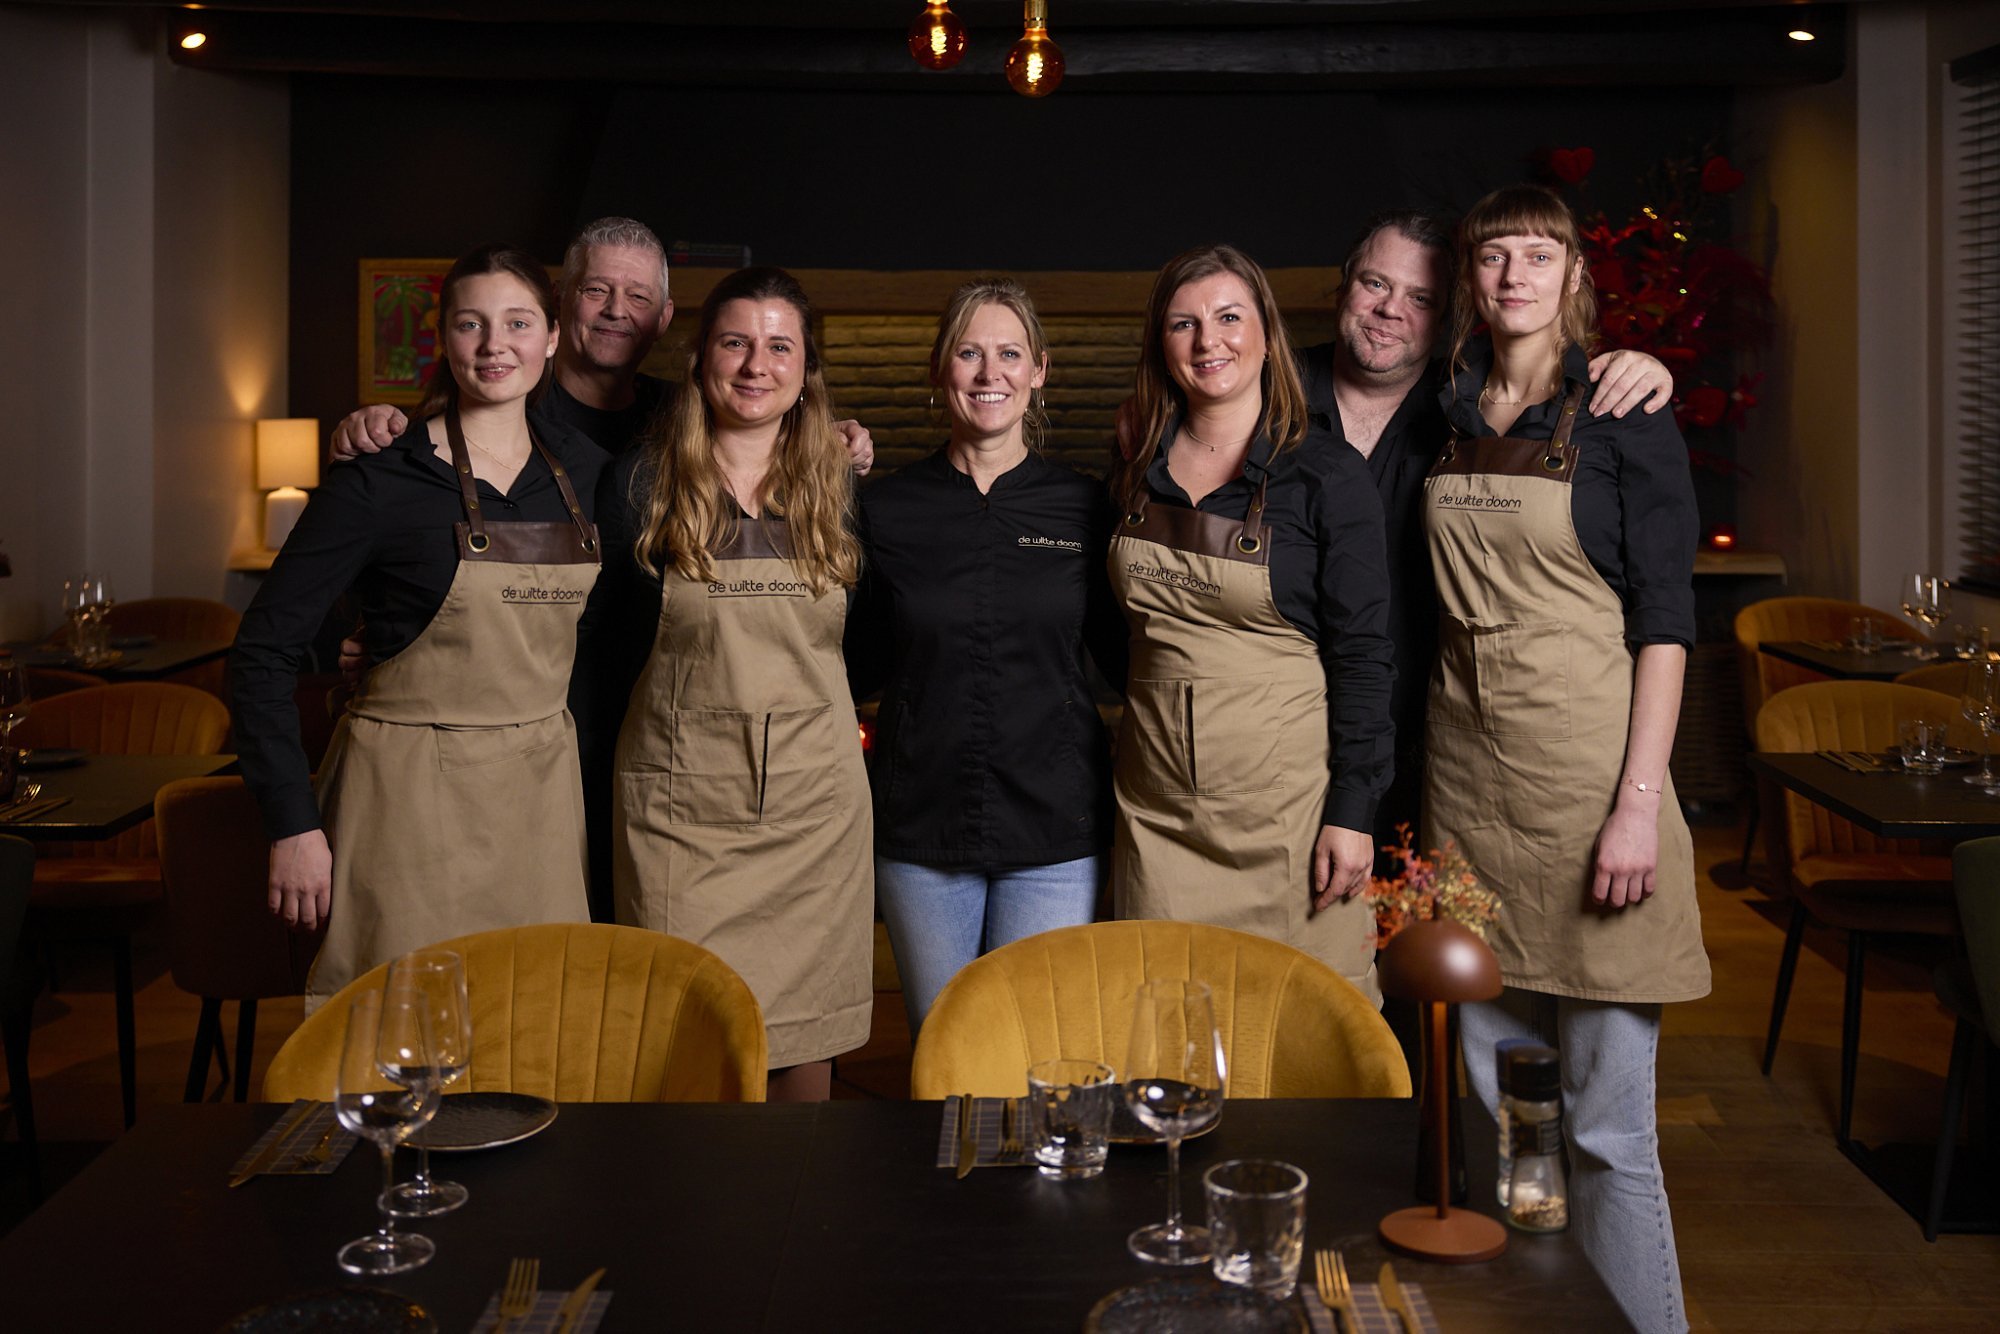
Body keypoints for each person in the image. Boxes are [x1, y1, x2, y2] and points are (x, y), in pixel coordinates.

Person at [330, 219, 874, 919]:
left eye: (638, 296)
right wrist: (383, 631)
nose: (618, 310)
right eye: (597, 291)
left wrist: (829, 439)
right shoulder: (497, 397)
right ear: (559, 307)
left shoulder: (688, 412)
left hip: (666, 736)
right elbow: (407, 533)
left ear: (666, 319)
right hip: (530, 726)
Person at [1427, 185, 1710, 1334]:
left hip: (1593, 794)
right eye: (1492, 255)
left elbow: (1664, 624)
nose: (1513, 276)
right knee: (1495, 1115)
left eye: (1536, 255)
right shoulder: (1442, 407)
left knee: (1603, 1128)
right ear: (1469, 277)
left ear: (1573, 277)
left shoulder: (1624, 411)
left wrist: (1635, 805)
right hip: (1467, 799)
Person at [232, 243, 604, 1009]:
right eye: (471, 324)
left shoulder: (590, 474)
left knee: (535, 1026)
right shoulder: (379, 479)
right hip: (402, 807)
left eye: (518, 322)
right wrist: (292, 824)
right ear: (444, 337)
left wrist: (838, 442)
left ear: (552, 337)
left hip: (540, 805)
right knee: (397, 1032)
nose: (495, 345)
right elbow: (260, 654)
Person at [1294, 209, 1675, 867]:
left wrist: (1638, 366)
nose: (1390, 310)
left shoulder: (1465, 410)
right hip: (1285, 734)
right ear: (1344, 285)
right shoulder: (1265, 395)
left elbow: (1655, 602)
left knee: (1426, 928)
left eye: (1421, 298)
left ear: (1451, 313)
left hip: (1432, 743)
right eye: (1375, 284)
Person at [594, 267, 871, 1102]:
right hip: (680, 821)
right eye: (735, 343)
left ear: (806, 369)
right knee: (684, 1058)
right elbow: (600, 652)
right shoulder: (639, 485)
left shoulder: (840, 486)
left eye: (780, 346)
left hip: (814, 819)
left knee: (806, 1066)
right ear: (699, 357)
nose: (757, 365)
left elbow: (874, 643)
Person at [1107, 243, 1394, 1003]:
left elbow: (1365, 657)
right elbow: (1113, 637)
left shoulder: (1328, 475)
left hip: (1290, 826)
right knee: (1165, 1035)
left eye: (1230, 317)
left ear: (1267, 332)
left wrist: (1353, 813)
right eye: (1184, 323)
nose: (1209, 341)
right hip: (1157, 823)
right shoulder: (1134, 468)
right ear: (1161, 343)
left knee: (1305, 1040)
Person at [845, 278, 1127, 1035]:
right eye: (969, 353)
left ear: (1039, 372)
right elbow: (852, 664)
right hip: (921, 829)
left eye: (1009, 354)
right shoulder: (884, 509)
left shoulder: (1085, 507)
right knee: (943, 1050)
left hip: (1056, 832)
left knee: (1033, 1052)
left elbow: (1131, 660)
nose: (989, 373)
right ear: (941, 369)